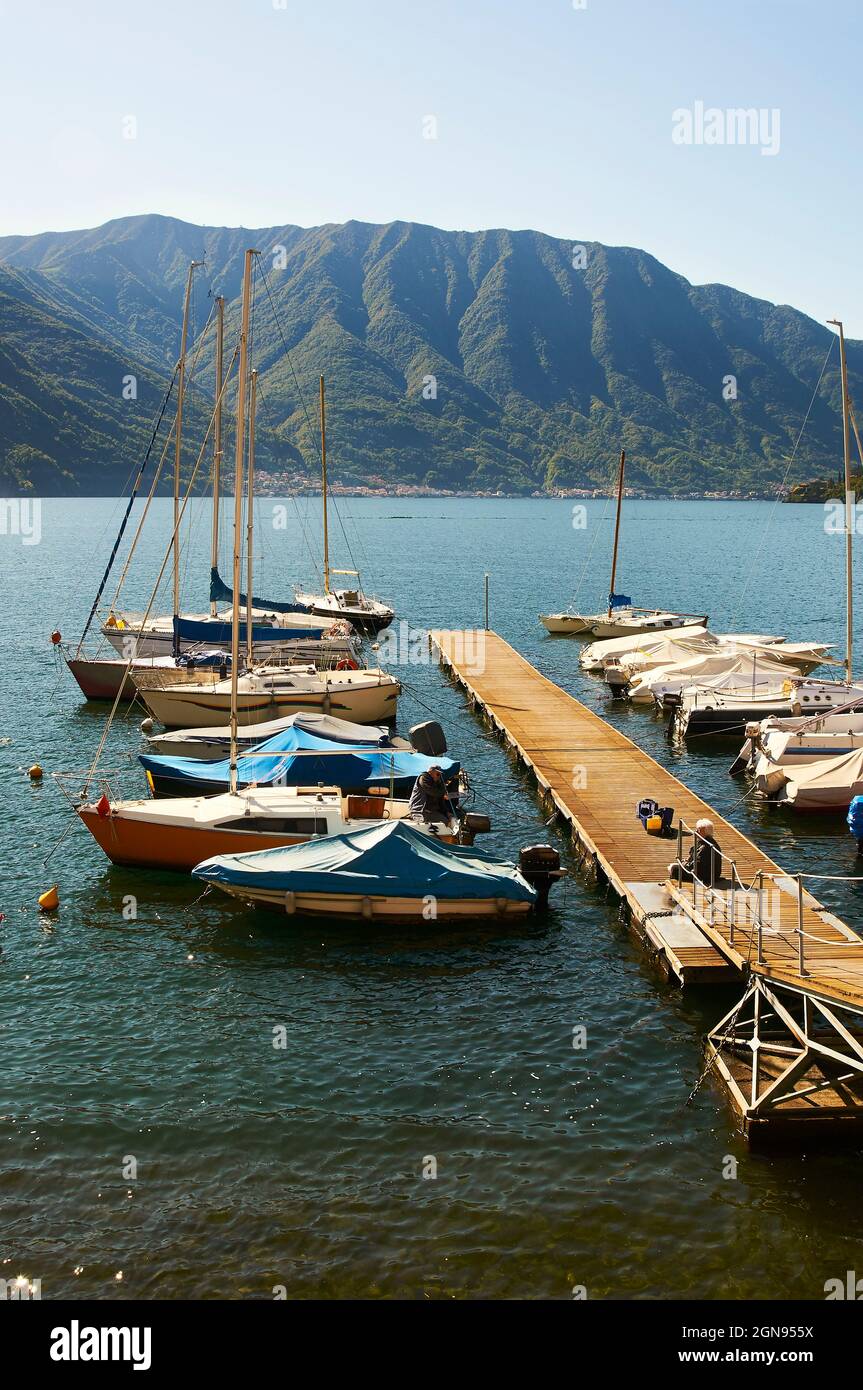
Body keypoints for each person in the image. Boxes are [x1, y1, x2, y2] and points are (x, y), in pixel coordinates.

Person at [669, 817, 723, 885]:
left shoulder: (705, 847)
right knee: (677, 866)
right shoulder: (708, 841)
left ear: (705, 832)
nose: (696, 832)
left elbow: (695, 865)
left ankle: (673, 886)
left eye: (699, 830)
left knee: (673, 868)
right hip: (713, 875)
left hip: (704, 877)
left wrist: (683, 865)